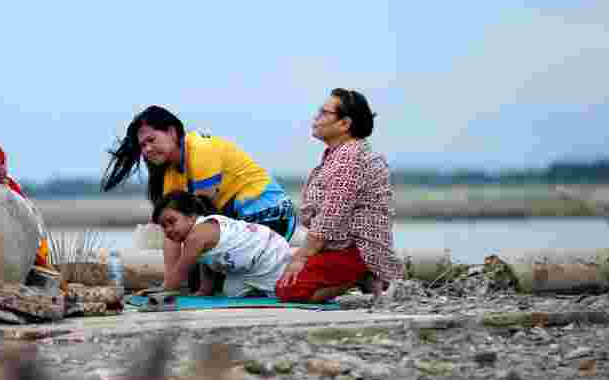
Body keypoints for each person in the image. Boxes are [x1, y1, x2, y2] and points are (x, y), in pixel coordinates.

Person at [101, 106, 297, 289]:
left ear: (171, 132)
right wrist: (169, 283)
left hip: (271, 215)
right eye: (142, 145)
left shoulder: (201, 150)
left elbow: (201, 222)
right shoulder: (171, 174)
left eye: (151, 140)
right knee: (194, 281)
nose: (147, 150)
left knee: (205, 280)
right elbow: (172, 232)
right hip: (238, 223)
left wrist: (178, 280)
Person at [276, 89, 404, 303]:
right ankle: (359, 279)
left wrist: (302, 257)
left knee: (289, 291)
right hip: (337, 246)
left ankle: (363, 276)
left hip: (358, 249)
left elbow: (330, 217)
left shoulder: (349, 157)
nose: (316, 118)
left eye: (324, 113)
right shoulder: (340, 153)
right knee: (282, 274)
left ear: (345, 124)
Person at [153, 191, 293, 297]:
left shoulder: (196, 236)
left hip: (269, 253)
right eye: (163, 226)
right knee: (230, 292)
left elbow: (180, 270)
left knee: (281, 293)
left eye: (172, 222)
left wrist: (164, 290)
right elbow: (206, 262)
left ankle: (267, 290)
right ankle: (257, 291)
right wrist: (204, 290)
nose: (168, 230)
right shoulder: (198, 233)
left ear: (191, 216)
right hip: (250, 265)